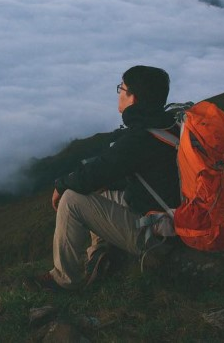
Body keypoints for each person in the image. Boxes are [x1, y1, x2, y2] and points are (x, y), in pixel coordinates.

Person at [34, 65, 180, 291]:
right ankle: (100, 254)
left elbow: (95, 173)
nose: (119, 93)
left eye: (121, 88)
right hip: (171, 223)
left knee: (72, 199)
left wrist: (60, 186)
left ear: (134, 97)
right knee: (100, 189)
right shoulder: (167, 127)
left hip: (159, 239)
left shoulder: (141, 138)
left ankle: (64, 280)